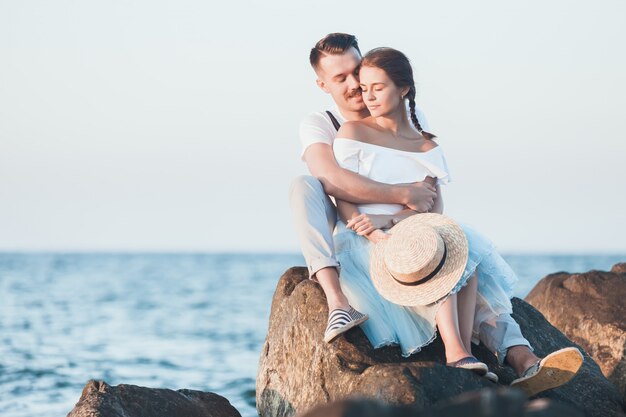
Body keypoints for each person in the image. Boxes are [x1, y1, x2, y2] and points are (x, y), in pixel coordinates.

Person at [291, 33, 583, 396]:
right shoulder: (328, 126)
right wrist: (400, 200)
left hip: (413, 225)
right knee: (304, 186)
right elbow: (333, 181)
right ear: (322, 84)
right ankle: (340, 303)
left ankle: (523, 359)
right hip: (362, 229)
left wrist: (409, 214)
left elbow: (431, 194)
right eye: (341, 79)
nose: (355, 87)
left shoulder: (408, 118)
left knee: (467, 263)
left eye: (359, 73)